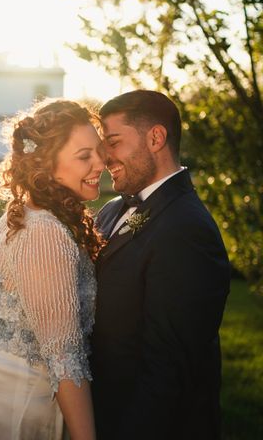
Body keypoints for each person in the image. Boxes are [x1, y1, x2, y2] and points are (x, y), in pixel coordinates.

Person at [0, 99, 106, 440]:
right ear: (47, 164)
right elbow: (65, 357)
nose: (101, 163)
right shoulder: (44, 232)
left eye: (100, 151)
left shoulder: (19, 212)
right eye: (84, 156)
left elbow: (0, 291)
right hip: (23, 400)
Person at [92, 90, 231, 439]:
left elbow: (169, 369)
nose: (103, 156)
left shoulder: (187, 228)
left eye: (113, 142)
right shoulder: (112, 210)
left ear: (156, 138)